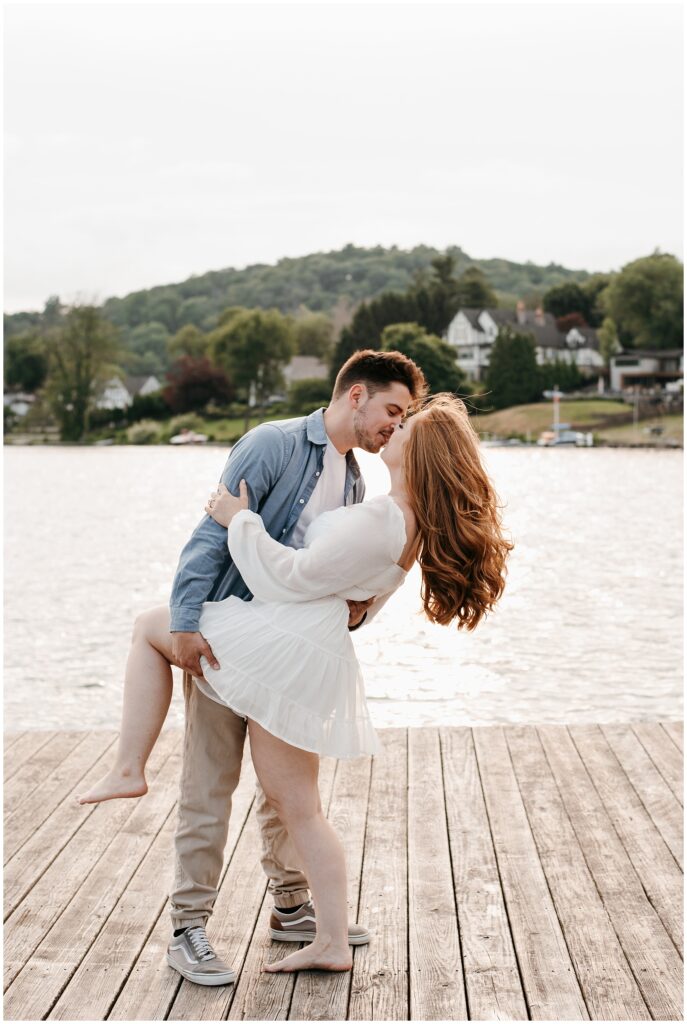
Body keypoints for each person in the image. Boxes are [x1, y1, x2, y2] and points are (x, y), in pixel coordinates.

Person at [79, 349, 428, 985]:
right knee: (211, 782)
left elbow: (323, 572)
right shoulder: (271, 444)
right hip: (227, 639)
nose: (394, 426)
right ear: (356, 396)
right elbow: (209, 537)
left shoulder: (353, 479)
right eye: (391, 410)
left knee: (283, 794)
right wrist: (185, 624)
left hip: (286, 658)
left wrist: (352, 607)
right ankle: (189, 927)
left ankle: (293, 908)